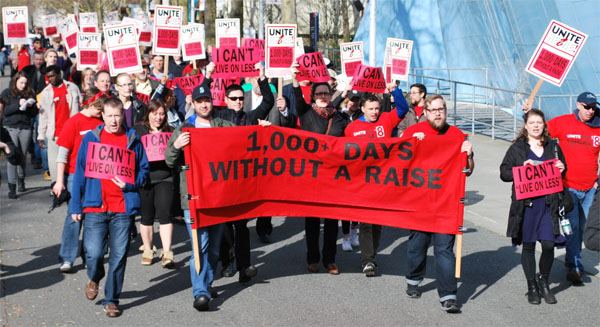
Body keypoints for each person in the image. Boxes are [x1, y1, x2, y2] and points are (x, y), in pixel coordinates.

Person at [70, 97, 149, 317]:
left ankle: (111, 299)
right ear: (102, 116)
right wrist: (75, 206)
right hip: (96, 207)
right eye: (109, 116)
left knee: (119, 254)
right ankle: (95, 276)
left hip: (122, 208)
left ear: (123, 115)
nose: (114, 121)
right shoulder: (91, 139)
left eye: (117, 115)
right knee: (94, 253)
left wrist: (130, 184)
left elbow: (144, 171)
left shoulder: (132, 138)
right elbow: (80, 174)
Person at [165, 67, 236, 311]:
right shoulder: (184, 129)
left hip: (218, 198)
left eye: (207, 101)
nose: (204, 105)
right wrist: (176, 145)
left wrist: (263, 129)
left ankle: (206, 281)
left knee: (214, 248)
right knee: (200, 246)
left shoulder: (223, 125)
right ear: (193, 103)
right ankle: (201, 293)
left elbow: (244, 141)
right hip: (193, 198)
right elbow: (169, 160)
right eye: (199, 101)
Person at [402, 94, 474, 314]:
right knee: (417, 246)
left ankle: (448, 296)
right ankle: (413, 280)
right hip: (420, 204)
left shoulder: (457, 135)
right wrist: (413, 145)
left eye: (441, 109)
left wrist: (468, 155)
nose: (438, 113)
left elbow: (468, 170)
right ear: (425, 112)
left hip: (446, 205)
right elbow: (398, 163)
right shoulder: (414, 132)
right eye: (433, 110)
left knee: (444, 250)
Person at [526, 92, 600, 285]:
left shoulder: (598, 126)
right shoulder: (564, 122)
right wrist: (526, 115)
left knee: (585, 229)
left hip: (591, 188)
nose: (590, 111)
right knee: (573, 227)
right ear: (578, 105)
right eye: (586, 107)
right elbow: (538, 131)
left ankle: (571, 259)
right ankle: (575, 266)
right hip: (567, 187)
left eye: (593, 107)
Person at [500, 108, 568, 305]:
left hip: (548, 204)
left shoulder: (553, 146)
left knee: (548, 245)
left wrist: (562, 169)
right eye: (532, 123)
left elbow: (562, 171)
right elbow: (504, 173)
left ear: (544, 124)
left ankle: (543, 281)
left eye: (539, 122)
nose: (536, 126)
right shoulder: (517, 148)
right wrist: (521, 168)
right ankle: (531, 286)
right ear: (526, 126)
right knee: (528, 246)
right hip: (527, 205)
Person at [345, 89, 409, 276]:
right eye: (371, 108)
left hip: (383, 181)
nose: (374, 112)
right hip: (362, 182)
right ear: (362, 109)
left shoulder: (386, 120)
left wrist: (394, 91)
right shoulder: (352, 128)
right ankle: (368, 260)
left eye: (377, 108)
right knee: (366, 221)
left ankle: (371, 254)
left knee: (378, 222)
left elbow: (403, 108)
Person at [290, 62, 346, 275]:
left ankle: (330, 260)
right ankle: (313, 258)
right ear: (313, 96)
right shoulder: (305, 112)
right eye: (319, 93)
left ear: (331, 95)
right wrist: (295, 79)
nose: (323, 96)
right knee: (312, 222)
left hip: (333, 176)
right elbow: (296, 96)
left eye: (326, 93)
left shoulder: (338, 117)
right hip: (311, 176)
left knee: (332, 222)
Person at [54, 87, 106, 272]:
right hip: (76, 175)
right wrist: (59, 181)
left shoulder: (101, 122)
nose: (101, 112)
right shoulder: (74, 122)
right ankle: (67, 257)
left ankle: (89, 255)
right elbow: (63, 154)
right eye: (99, 108)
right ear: (90, 103)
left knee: (93, 217)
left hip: (97, 174)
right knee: (74, 216)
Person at [134, 99, 176, 268]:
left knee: (165, 213)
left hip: (165, 177)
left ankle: (167, 252)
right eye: (155, 113)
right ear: (148, 114)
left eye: (161, 114)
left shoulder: (170, 131)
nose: (158, 117)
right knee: (147, 216)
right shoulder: (139, 130)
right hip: (146, 178)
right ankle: (148, 249)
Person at [38, 65, 81, 182]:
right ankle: (56, 186)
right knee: (54, 163)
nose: (50, 79)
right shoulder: (46, 93)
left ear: (59, 74)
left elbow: (81, 107)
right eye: (48, 77)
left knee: (71, 161)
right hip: (54, 134)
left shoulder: (72, 88)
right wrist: (41, 134)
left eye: (52, 76)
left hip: (72, 132)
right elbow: (43, 115)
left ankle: (71, 184)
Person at [1, 71, 37, 198]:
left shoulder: (29, 93)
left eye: (25, 83)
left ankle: (21, 179)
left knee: (22, 155)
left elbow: (33, 114)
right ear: (15, 81)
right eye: (21, 82)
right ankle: (12, 187)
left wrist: (33, 106)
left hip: (25, 127)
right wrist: (18, 104)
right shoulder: (6, 93)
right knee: (12, 155)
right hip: (10, 127)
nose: (23, 85)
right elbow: (5, 111)